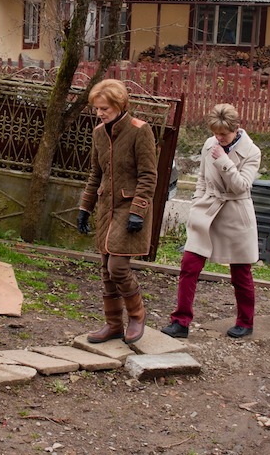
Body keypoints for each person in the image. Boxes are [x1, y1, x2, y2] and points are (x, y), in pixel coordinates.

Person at [160, 104, 262, 340]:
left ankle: (245, 322)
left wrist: (224, 161)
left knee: (241, 273)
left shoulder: (252, 152)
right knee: (189, 265)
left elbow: (242, 186)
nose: (219, 138)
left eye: (223, 134)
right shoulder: (209, 143)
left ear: (236, 128)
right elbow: (202, 179)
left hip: (235, 214)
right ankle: (180, 321)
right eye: (215, 133)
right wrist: (197, 202)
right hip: (207, 211)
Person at [77, 79, 158, 344]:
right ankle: (113, 325)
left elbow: (148, 175)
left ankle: (137, 315)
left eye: (105, 108)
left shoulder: (140, 130)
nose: (99, 113)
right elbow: (96, 174)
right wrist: (85, 207)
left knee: (118, 267)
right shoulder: (99, 133)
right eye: (97, 108)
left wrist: (138, 210)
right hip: (106, 209)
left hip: (129, 209)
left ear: (120, 104)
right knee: (106, 269)